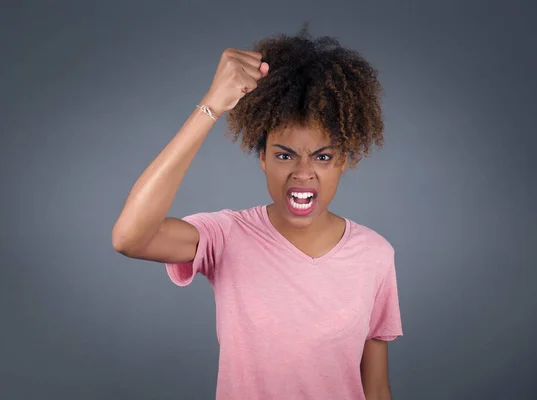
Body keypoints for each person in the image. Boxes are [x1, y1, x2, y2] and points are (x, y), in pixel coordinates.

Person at [112, 28, 403, 400]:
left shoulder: (375, 255)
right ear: (262, 158)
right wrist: (211, 106)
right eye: (284, 155)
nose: (303, 172)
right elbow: (129, 238)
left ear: (343, 161)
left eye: (323, 156)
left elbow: (376, 388)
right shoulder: (226, 235)